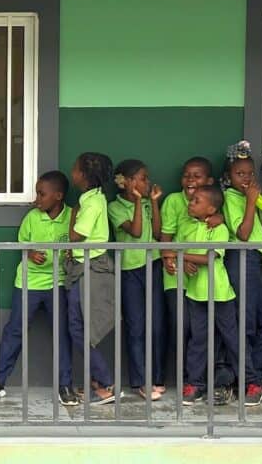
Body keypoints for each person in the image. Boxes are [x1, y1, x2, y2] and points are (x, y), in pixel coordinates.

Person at [0, 171, 77, 406]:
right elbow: (22, 244)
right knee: (15, 331)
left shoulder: (73, 216)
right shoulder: (32, 217)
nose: (36, 199)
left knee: (62, 333)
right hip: (28, 282)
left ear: (59, 196)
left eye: (42, 194)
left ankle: (65, 385)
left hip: (59, 283)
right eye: (36, 193)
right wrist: (30, 253)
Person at [171, 185, 262, 406]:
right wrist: (180, 258)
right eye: (191, 200)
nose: (190, 203)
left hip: (220, 295)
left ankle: (253, 383)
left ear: (211, 209)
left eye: (196, 201)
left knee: (233, 340)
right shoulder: (190, 227)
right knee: (198, 340)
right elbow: (173, 249)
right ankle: (195, 384)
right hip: (196, 293)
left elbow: (211, 257)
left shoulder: (220, 229)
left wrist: (182, 255)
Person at [160, 157, 236, 404]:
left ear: (209, 182)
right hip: (179, 278)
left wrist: (220, 218)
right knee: (187, 331)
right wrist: (174, 259)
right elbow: (166, 240)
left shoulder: (213, 212)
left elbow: (212, 250)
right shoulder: (174, 202)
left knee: (214, 333)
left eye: (197, 176)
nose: (190, 180)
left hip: (207, 283)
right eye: (186, 175)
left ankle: (217, 381)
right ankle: (191, 382)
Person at [65, 152, 119, 405]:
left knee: (81, 328)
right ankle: (99, 380)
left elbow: (76, 235)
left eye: (75, 169)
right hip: (83, 266)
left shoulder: (92, 203)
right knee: (80, 326)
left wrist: (73, 213)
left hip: (91, 267)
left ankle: (108, 384)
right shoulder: (91, 198)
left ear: (84, 175)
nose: (72, 172)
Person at [109, 159, 166, 401]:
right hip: (130, 270)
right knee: (136, 326)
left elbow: (155, 232)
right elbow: (134, 231)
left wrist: (152, 203)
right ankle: (141, 381)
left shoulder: (146, 204)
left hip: (152, 265)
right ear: (128, 182)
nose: (147, 182)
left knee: (157, 324)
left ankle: (157, 377)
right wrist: (140, 202)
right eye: (142, 178)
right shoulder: (115, 206)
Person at [221, 141, 262, 399]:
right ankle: (246, 380)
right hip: (241, 258)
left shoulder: (248, 196)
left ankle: (256, 374)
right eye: (240, 174)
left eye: (250, 173)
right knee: (247, 323)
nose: (247, 178)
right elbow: (242, 233)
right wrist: (251, 201)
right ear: (228, 177)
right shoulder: (232, 197)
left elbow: (261, 219)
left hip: (255, 260)